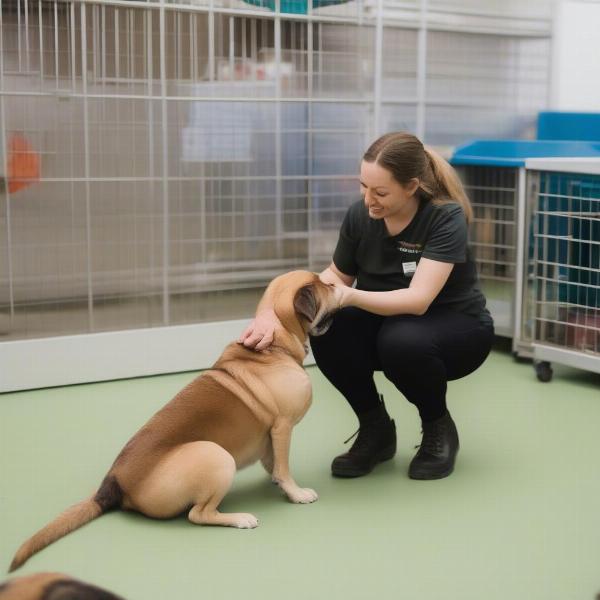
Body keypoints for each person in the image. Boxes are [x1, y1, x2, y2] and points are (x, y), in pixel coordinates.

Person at [238, 131, 494, 481]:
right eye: (364, 187)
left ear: (412, 186)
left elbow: (418, 301)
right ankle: (376, 429)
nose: (369, 200)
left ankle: (438, 426)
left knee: (401, 339)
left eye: (381, 192)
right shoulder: (361, 215)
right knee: (328, 328)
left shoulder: (443, 217)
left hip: (458, 328)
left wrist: (351, 297)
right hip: (390, 323)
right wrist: (268, 310)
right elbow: (332, 278)